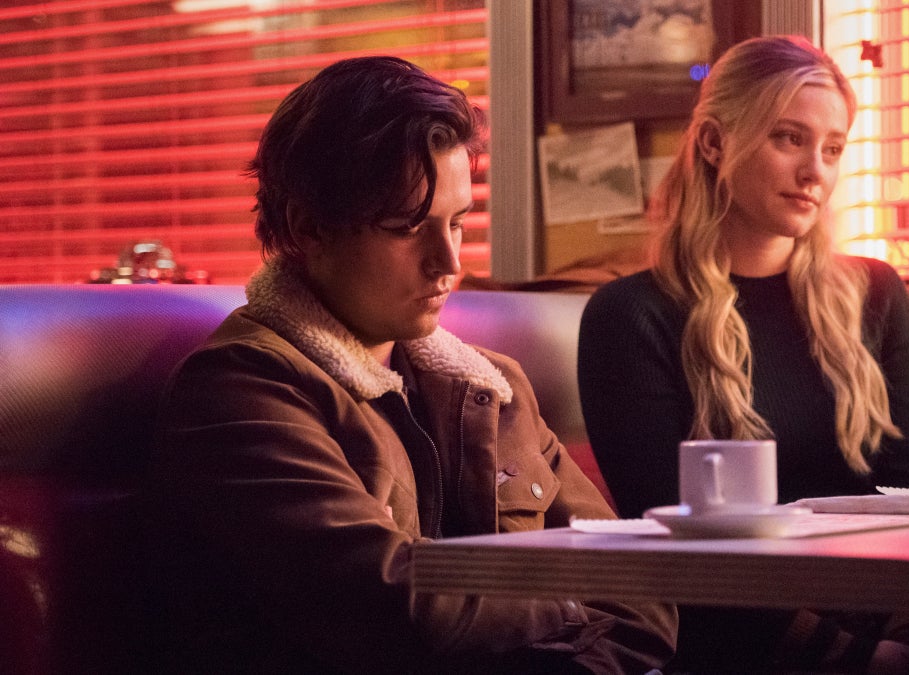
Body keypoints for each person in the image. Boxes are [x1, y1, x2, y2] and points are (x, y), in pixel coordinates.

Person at [145, 56, 676, 674]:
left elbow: (642, 590)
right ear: (307, 227)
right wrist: (571, 608)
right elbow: (398, 612)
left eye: (458, 223)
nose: (449, 262)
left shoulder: (493, 388)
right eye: (407, 227)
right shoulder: (240, 390)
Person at [577, 36, 909, 674]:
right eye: (789, 138)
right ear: (714, 142)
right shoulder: (630, 316)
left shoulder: (876, 293)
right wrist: (853, 659)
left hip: (883, 612)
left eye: (833, 148)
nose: (815, 172)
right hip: (740, 640)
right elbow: (676, 552)